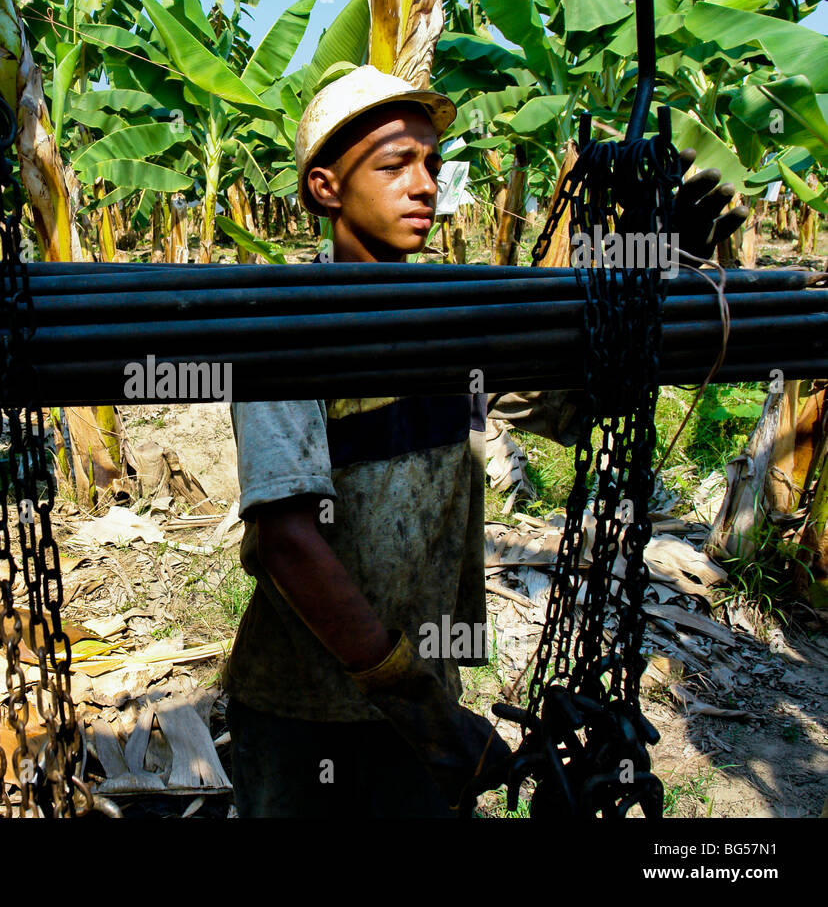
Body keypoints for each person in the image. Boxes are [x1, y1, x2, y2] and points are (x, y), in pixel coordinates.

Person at [222, 64, 746, 818]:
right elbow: (288, 543)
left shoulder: (457, 316)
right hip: (309, 710)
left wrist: (655, 270)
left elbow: (583, 403)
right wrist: (420, 711)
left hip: (429, 689)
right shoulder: (280, 326)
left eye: (432, 162)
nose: (425, 183)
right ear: (326, 189)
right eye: (395, 163)